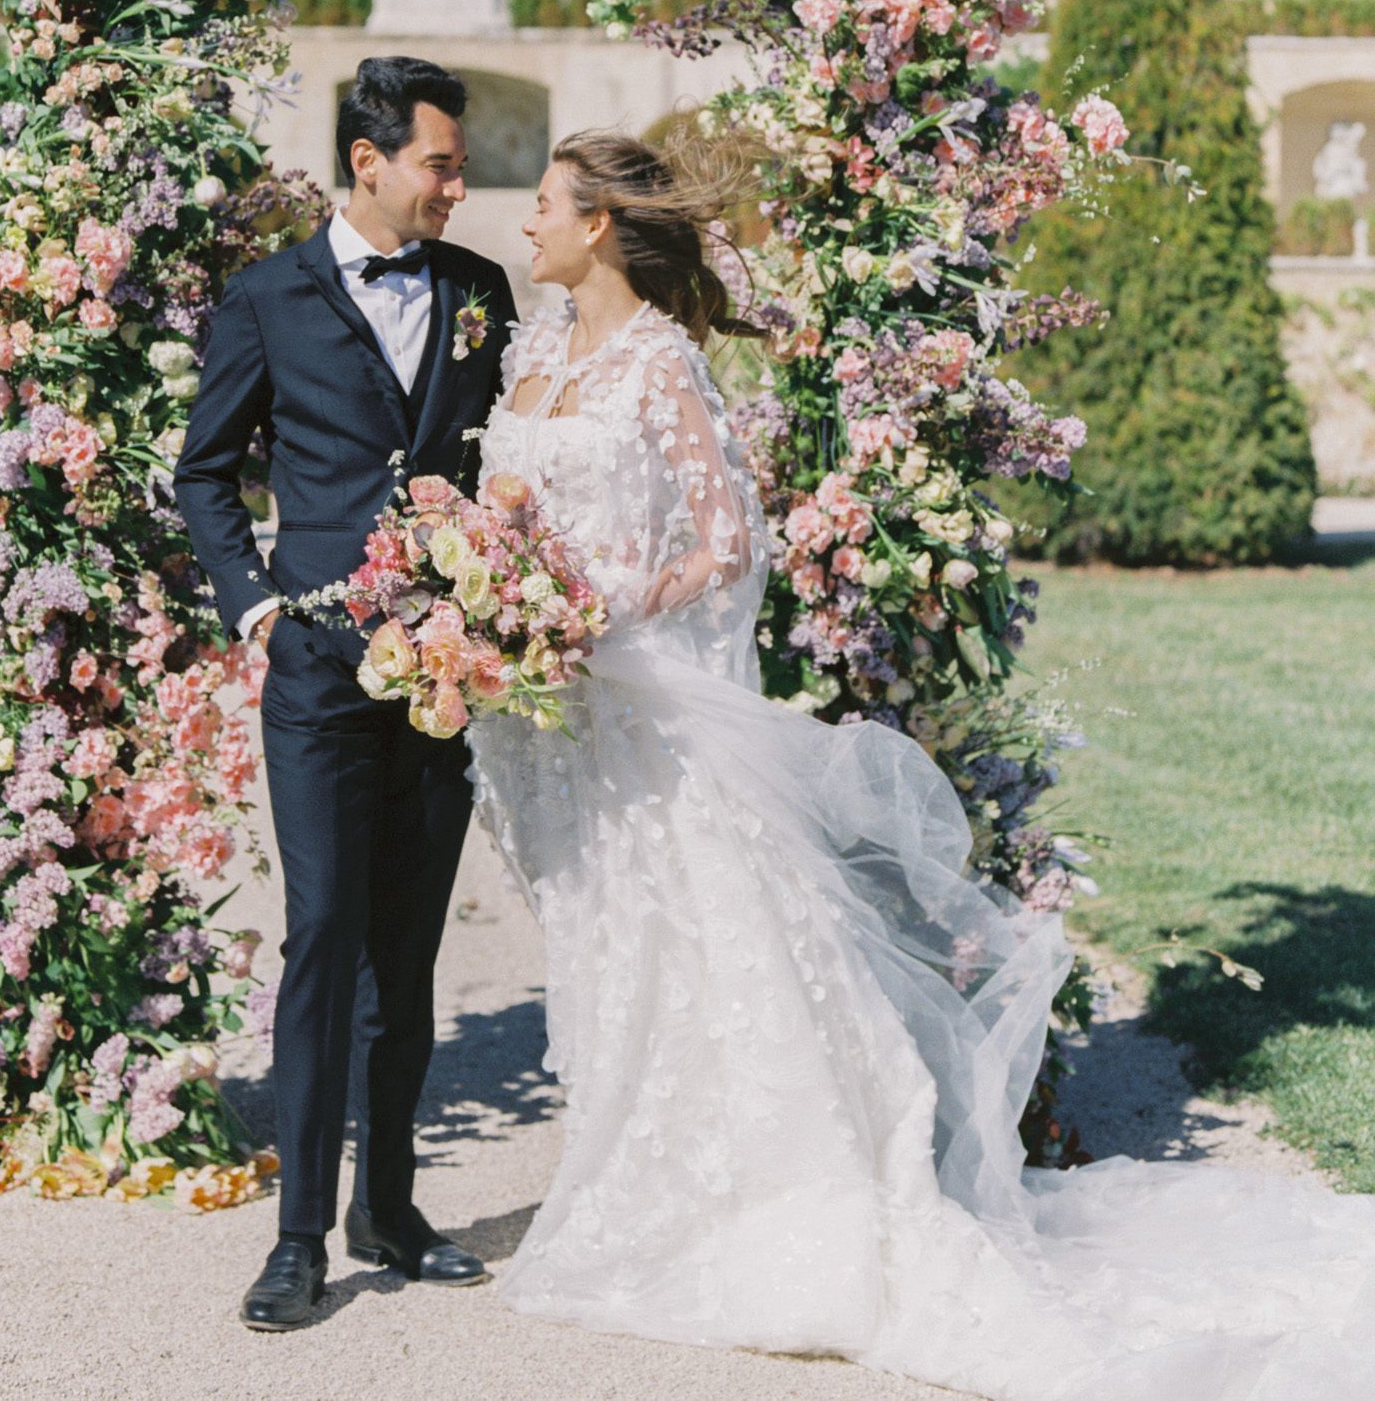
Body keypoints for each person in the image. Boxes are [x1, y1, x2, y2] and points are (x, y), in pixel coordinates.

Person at [469, 126, 1375, 1399]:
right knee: (611, 945)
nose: (529, 223)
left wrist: (597, 615)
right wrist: (490, 603)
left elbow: (729, 545)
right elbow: (502, 515)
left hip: (641, 707)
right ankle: (632, 1180)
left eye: (549, 205)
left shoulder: (661, 364)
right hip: (555, 722)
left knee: (697, 943)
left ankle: (767, 1209)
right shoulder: (529, 351)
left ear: (601, 225)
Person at [175, 55, 517, 1331]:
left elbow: (504, 451)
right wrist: (254, 600)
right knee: (323, 938)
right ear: (367, 162)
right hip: (318, 670)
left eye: (457, 160)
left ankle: (394, 1207)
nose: (457, 182)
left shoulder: (482, 292)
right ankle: (300, 1236)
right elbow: (205, 472)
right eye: (439, 161)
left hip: (447, 672)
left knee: (409, 955)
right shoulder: (265, 297)